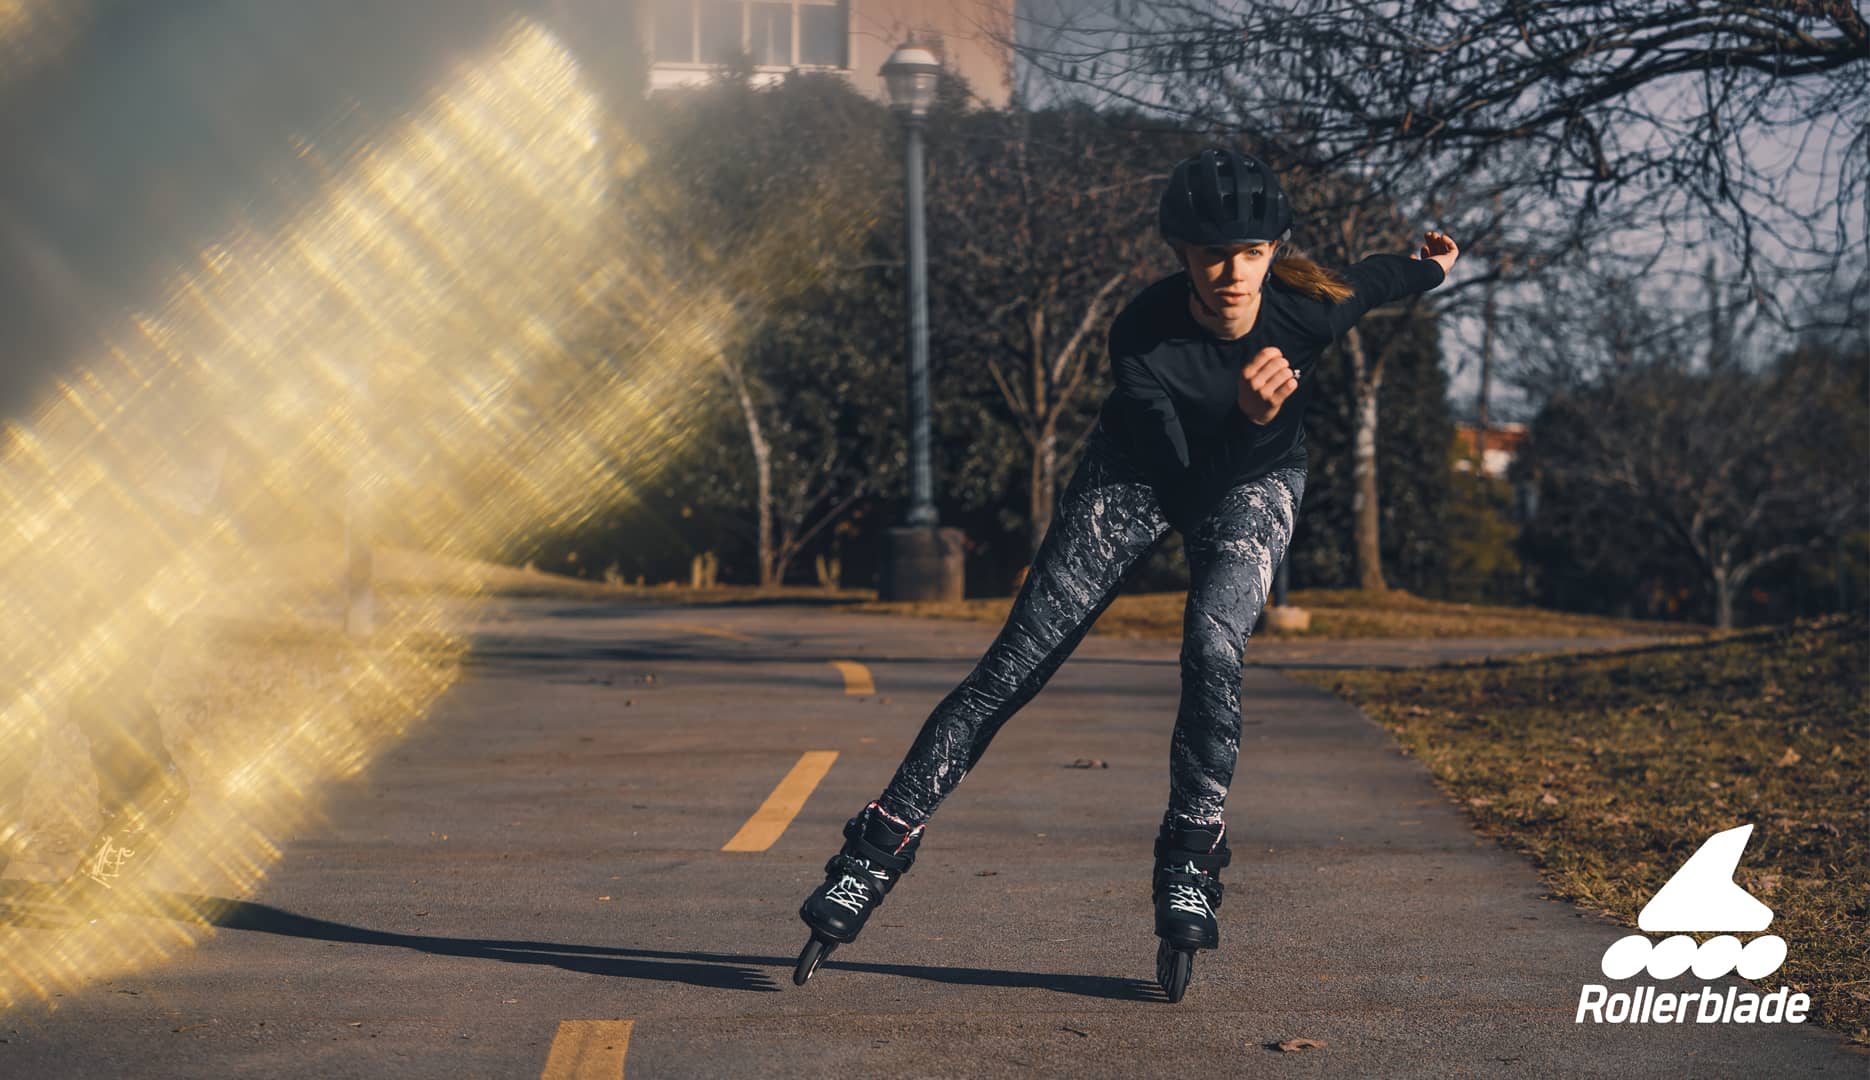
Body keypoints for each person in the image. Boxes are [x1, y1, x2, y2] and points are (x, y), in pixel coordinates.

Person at [793, 147, 1459, 999]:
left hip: (1257, 480)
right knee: (1014, 666)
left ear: (1274, 251)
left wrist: (1431, 266)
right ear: (1180, 252)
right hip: (1139, 474)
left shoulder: (1306, 310)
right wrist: (1249, 416)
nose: (1234, 275)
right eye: (1213, 255)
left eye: (1252, 253)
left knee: (1214, 647)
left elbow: (1375, 281)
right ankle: (875, 849)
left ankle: (1192, 853)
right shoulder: (1143, 335)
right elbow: (1183, 488)